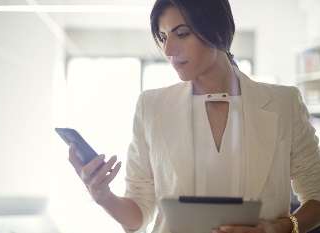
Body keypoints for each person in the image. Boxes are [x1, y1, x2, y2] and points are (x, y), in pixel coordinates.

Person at [68, 0, 320, 232]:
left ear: (218, 31)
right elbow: (139, 213)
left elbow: (316, 195)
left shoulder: (284, 104)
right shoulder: (151, 107)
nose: (168, 49)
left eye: (182, 33)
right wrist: (103, 195)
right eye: (163, 37)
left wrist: (280, 228)